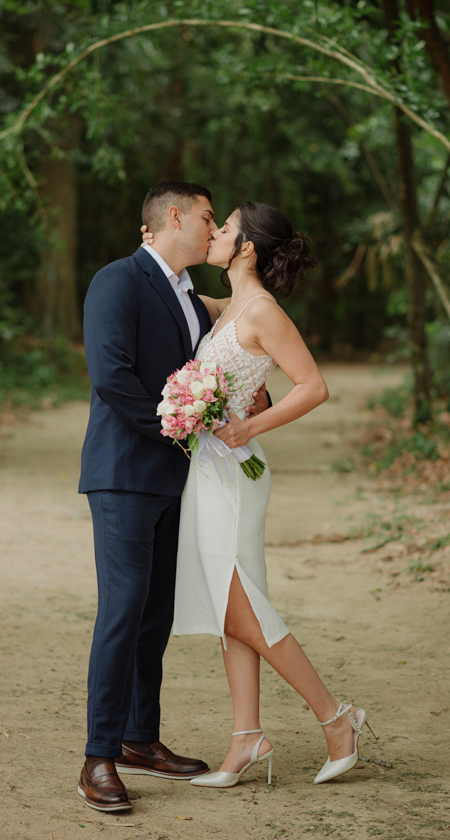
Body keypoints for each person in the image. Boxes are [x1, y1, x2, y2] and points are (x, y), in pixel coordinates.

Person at [145, 201, 378, 788]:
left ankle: (337, 717)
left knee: (240, 607)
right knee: (234, 609)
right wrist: (152, 247)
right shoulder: (230, 307)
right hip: (209, 468)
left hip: (237, 469)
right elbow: (176, 298)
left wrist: (250, 425)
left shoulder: (264, 312)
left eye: (223, 228)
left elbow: (314, 385)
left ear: (247, 247)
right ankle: (246, 737)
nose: (215, 233)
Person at [77, 182, 269, 813]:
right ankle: (98, 757)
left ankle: (139, 738)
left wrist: (245, 402)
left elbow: (217, 368)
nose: (214, 228)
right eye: (209, 217)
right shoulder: (118, 279)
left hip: (174, 476)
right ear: (176, 217)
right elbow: (111, 375)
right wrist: (177, 426)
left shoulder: (193, 295)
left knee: (155, 611)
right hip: (124, 472)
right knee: (124, 607)